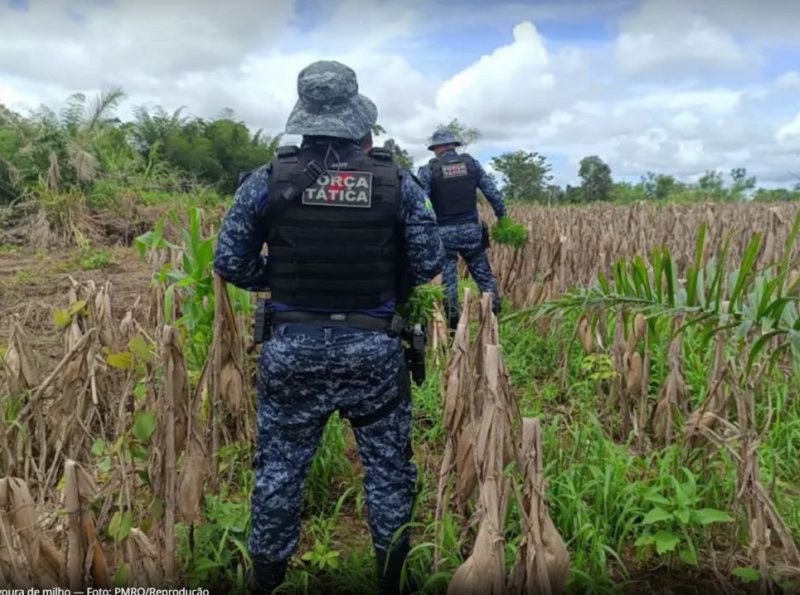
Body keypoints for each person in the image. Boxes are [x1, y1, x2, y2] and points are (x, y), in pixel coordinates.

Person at [213, 60, 445, 594]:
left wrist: (292, 280)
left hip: (292, 347)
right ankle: (393, 580)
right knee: (388, 473)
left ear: (305, 122)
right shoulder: (396, 181)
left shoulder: (267, 179)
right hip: (375, 347)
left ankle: (265, 582)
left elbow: (230, 261)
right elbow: (430, 258)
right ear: (359, 125)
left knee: (279, 474)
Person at [417, 129, 507, 329]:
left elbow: (422, 203)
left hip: (444, 234)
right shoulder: (472, 165)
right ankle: (495, 318)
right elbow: (493, 193)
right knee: (484, 276)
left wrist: (427, 228)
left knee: (449, 281)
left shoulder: (429, 170)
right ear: (453, 146)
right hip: (471, 233)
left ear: (438, 148)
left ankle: (453, 326)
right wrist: (502, 218)